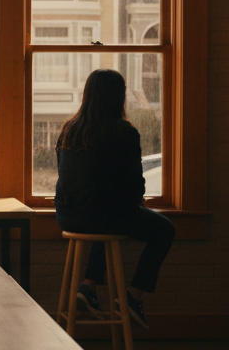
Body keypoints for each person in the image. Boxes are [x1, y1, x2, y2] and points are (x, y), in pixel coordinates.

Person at [54, 69, 174, 329]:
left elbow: (66, 175)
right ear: (118, 97)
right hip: (103, 216)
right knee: (164, 229)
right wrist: (136, 203)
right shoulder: (123, 132)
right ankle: (132, 296)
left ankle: (88, 286)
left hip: (67, 216)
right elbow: (136, 186)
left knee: (105, 218)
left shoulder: (69, 130)